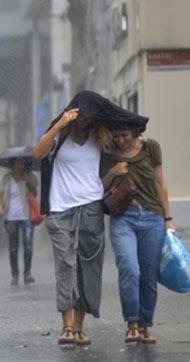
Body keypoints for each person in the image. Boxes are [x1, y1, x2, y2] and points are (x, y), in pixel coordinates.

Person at [32, 90, 118, 346]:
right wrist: (59, 124)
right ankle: (67, 326)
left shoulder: (98, 139)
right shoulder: (59, 138)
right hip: (60, 211)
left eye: (89, 118)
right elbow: (37, 154)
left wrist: (113, 175)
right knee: (66, 265)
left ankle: (79, 327)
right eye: (80, 116)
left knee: (88, 267)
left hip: (91, 207)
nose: (84, 122)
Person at [100, 122, 174, 344]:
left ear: (135, 132)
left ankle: (144, 325)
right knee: (129, 269)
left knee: (149, 276)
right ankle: (131, 323)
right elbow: (98, 187)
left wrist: (168, 219)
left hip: (152, 217)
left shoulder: (151, 148)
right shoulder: (107, 152)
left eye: (125, 135)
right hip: (123, 218)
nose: (121, 140)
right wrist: (113, 172)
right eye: (117, 136)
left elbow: (161, 183)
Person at [0, 157, 39, 285]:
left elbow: (34, 193)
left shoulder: (29, 176)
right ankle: (15, 274)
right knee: (13, 247)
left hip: (26, 216)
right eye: (18, 161)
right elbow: (0, 194)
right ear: (13, 163)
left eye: (22, 161)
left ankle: (27, 273)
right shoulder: (7, 178)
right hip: (11, 217)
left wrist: (29, 183)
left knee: (28, 246)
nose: (20, 164)